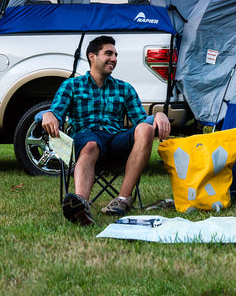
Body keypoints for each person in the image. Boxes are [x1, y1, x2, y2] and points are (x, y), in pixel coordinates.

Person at [42, 35, 171, 225]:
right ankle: (81, 204)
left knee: (145, 129)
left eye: (116, 55)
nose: (114, 59)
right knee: (91, 144)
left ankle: (122, 200)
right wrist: (49, 114)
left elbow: (141, 121)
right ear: (92, 57)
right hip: (87, 137)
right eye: (108, 53)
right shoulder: (72, 85)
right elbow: (56, 112)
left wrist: (158, 116)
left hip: (115, 139)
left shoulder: (124, 88)